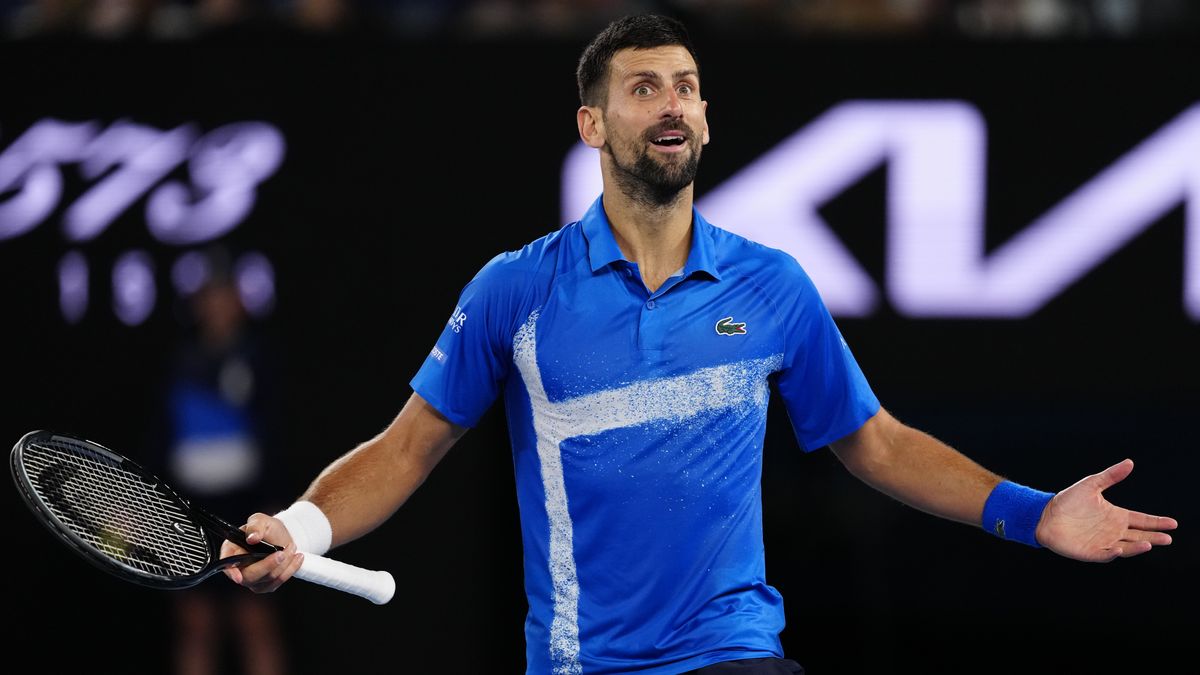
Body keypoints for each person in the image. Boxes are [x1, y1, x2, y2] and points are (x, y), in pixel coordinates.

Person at [220, 13, 1178, 675]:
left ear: (708, 118)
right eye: (644, 88)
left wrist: (1032, 511)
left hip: (734, 651)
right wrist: (299, 529)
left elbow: (874, 442)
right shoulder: (516, 289)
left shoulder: (773, 287)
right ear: (594, 124)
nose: (673, 103)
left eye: (686, 86)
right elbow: (406, 447)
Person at [157, 249, 289, 675]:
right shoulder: (178, 362)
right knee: (195, 623)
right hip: (188, 510)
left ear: (239, 299)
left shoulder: (260, 360)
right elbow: (161, 436)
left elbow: (275, 438)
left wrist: (275, 507)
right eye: (208, 293)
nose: (216, 303)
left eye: (224, 292)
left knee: (255, 621)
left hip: (247, 508)